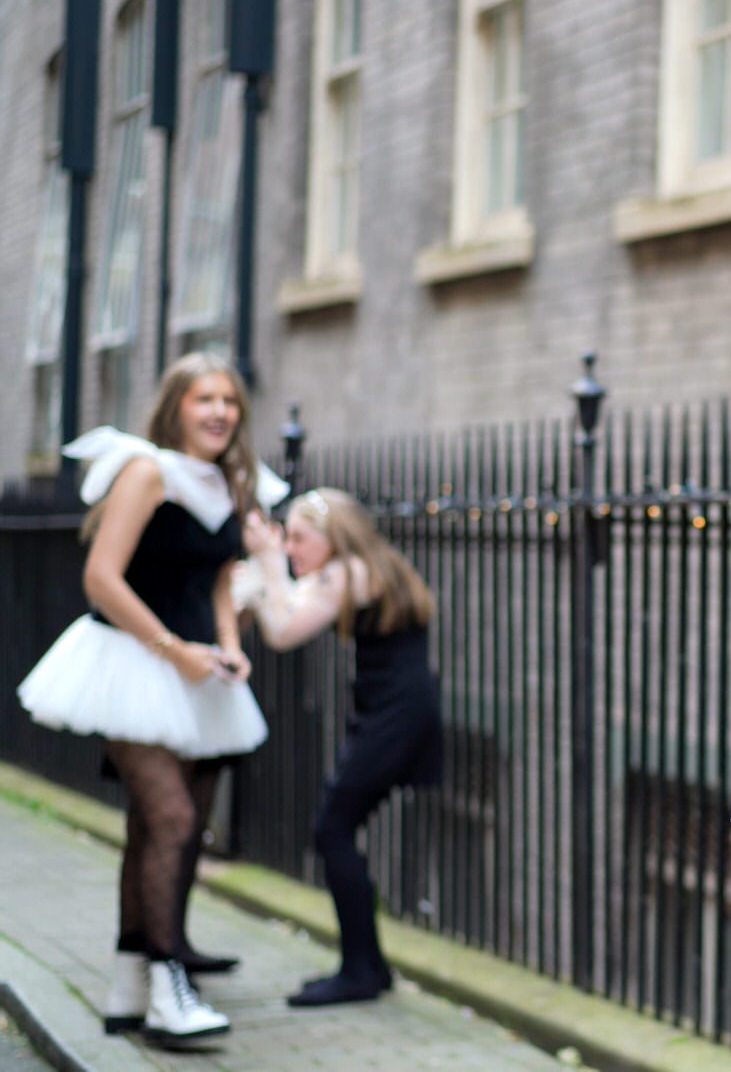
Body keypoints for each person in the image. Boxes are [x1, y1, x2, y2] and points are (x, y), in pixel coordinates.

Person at [17, 352, 286, 1048]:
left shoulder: (230, 481)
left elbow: (224, 578)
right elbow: (101, 578)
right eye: (205, 398)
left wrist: (228, 641)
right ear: (176, 406)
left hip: (200, 671)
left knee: (167, 824)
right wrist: (174, 649)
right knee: (168, 814)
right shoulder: (148, 471)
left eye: (229, 400)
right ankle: (169, 990)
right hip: (132, 662)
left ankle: (127, 983)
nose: (220, 411)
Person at [239, 488, 444, 1008]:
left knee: (332, 829)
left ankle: (360, 970)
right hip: (395, 710)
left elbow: (284, 631)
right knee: (337, 828)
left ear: (333, 536)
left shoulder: (343, 573)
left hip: (392, 717)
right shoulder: (372, 566)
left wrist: (263, 566)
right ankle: (368, 965)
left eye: (300, 537)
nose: (291, 548)